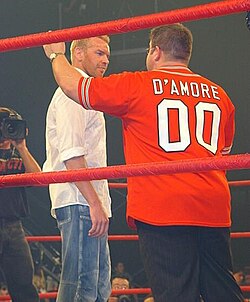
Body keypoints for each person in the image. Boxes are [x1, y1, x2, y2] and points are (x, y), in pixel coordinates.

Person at [43, 24, 244, 301]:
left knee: (175, 293)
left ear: (155, 52)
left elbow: (75, 86)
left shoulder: (138, 84)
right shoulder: (220, 95)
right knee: (222, 290)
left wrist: (56, 55)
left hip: (163, 208)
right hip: (213, 207)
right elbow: (224, 151)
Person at [43, 35, 112, 302]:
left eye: (107, 54)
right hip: (80, 200)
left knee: (96, 288)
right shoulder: (71, 94)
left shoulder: (85, 92)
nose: (105, 60)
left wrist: (98, 204)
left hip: (88, 201)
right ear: (79, 54)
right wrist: (94, 203)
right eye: (99, 53)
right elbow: (72, 155)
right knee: (81, 288)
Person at [0, 107, 40, 302]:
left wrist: (22, 147)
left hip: (14, 227)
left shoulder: (18, 154)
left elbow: (38, 178)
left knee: (24, 285)